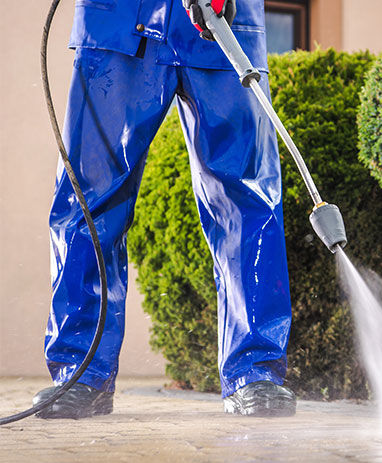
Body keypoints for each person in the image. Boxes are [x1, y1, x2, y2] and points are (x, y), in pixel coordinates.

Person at [32, 0, 296, 419]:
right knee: (89, 198)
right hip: (118, 22)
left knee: (247, 200)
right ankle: (81, 371)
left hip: (225, 22)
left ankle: (255, 371)